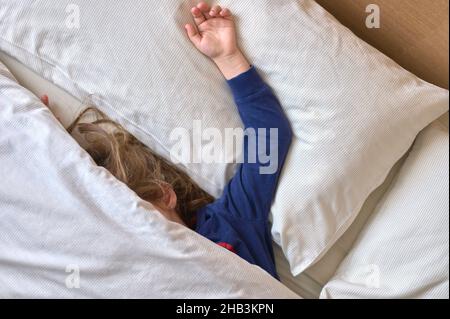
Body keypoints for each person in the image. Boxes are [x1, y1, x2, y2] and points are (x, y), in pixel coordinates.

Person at [41, 2, 292, 279]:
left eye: (138, 215)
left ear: (164, 195)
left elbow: (268, 135)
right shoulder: (126, 275)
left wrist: (228, 57)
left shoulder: (227, 225)